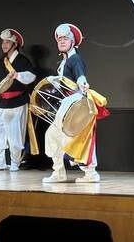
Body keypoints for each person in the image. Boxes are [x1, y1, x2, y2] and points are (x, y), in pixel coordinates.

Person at [42, 23, 101, 183]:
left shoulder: (75, 59)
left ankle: (91, 173)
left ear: (73, 42)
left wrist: (83, 83)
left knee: (78, 139)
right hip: (67, 106)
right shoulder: (65, 61)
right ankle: (59, 173)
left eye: (65, 38)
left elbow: (80, 75)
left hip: (75, 104)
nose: (62, 41)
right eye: (59, 39)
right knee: (52, 136)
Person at [0, 28, 36, 172]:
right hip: (2, 103)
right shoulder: (0, 62)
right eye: (3, 42)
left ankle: (14, 162)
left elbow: (31, 76)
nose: (4, 45)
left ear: (15, 44)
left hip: (18, 102)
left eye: (7, 42)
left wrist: (18, 75)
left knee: (15, 133)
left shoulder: (23, 61)